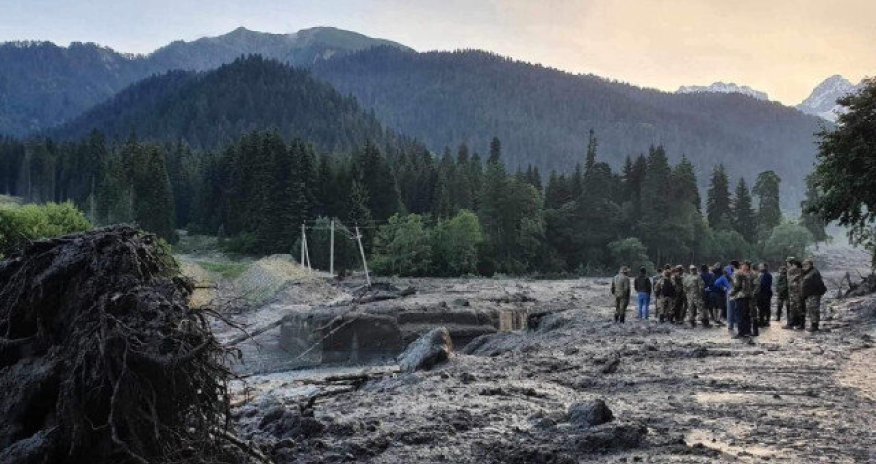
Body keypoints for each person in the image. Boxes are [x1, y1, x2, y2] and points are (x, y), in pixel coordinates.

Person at [801, 258, 827, 332]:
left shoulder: (814, 273)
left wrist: (819, 292)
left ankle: (814, 326)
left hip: (814, 294)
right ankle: (813, 324)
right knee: (811, 309)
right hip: (810, 294)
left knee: (814, 309)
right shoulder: (808, 272)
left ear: (810, 265)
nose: (804, 266)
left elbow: (819, 283)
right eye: (803, 265)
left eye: (806, 265)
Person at [731, 261, 756, 338]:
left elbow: (737, 286)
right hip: (748, 296)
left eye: (743, 265)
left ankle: (741, 332)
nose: (742, 267)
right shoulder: (750, 274)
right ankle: (747, 331)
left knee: (740, 315)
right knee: (746, 315)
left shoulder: (739, 273)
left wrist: (731, 293)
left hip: (740, 296)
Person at [784, 257, 805, 330]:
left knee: (798, 308)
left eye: (788, 262)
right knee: (793, 308)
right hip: (792, 293)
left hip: (797, 293)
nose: (787, 264)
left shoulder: (797, 271)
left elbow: (795, 281)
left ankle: (800, 324)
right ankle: (793, 323)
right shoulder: (790, 270)